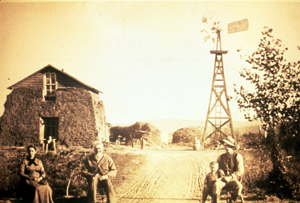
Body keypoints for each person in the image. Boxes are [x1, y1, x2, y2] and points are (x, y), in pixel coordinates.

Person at [211, 136, 244, 203]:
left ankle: (232, 201)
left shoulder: (237, 156)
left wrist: (231, 177)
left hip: (233, 180)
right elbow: (216, 168)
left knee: (239, 186)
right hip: (222, 180)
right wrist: (218, 171)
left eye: (228, 146)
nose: (226, 148)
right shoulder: (220, 157)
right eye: (225, 145)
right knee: (216, 185)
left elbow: (240, 171)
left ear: (232, 147)